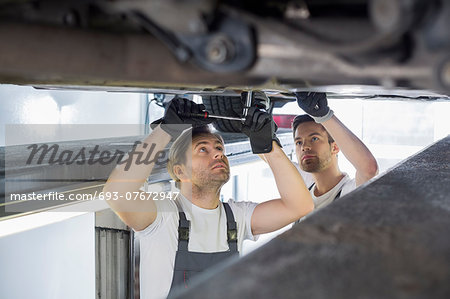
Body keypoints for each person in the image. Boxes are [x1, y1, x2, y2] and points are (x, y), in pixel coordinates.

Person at [103, 98, 314, 299]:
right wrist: (166, 130)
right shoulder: (162, 216)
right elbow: (117, 193)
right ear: (180, 171)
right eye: (203, 149)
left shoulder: (237, 217)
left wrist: (269, 146)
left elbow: (300, 206)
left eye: (219, 148)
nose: (217, 154)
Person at [293, 92, 378, 219]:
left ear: (335, 147)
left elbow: (368, 169)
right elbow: (270, 154)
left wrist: (325, 117)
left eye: (314, 139)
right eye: (299, 142)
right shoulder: (305, 183)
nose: (304, 147)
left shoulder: (350, 192)